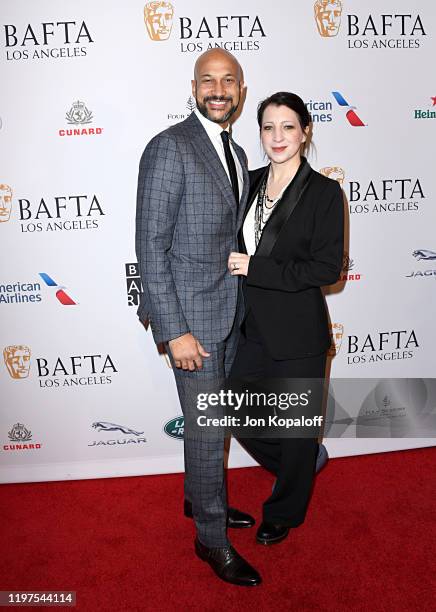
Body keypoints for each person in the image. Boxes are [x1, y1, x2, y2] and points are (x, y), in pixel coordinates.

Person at [136, 49, 261, 586]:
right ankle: (211, 540)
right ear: (193, 87)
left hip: (227, 314)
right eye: (208, 80)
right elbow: (151, 247)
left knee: (212, 427)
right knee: (209, 431)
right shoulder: (169, 148)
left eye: (228, 81)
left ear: (241, 90)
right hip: (193, 323)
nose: (218, 89)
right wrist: (174, 330)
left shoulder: (233, 151)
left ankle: (198, 499)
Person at [228, 91, 344, 545]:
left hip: (299, 332)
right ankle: (297, 463)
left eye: (288, 127)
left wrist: (255, 266)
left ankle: (286, 510)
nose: (277, 137)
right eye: (268, 127)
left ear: (305, 132)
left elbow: (325, 268)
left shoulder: (323, 193)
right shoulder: (248, 183)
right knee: (233, 407)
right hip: (249, 325)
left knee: (297, 429)